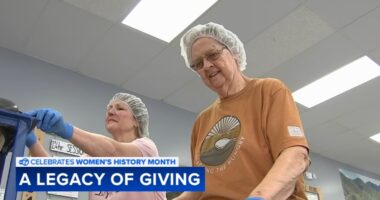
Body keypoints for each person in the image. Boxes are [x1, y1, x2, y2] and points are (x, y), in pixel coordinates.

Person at [175, 22, 310, 200]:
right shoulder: (202, 121)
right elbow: (199, 187)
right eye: (198, 64)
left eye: (213, 54)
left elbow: (295, 156)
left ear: (233, 53)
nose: (206, 65)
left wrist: (259, 197)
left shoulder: (268, 91)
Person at [25, 92, 166, 200]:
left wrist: (65, 129)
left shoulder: (146, 148)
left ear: (137, 121)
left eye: (120, 108)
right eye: (109, 108)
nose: (111, 112)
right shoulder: (92, 158)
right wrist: (31, 141)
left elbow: (114, 152)